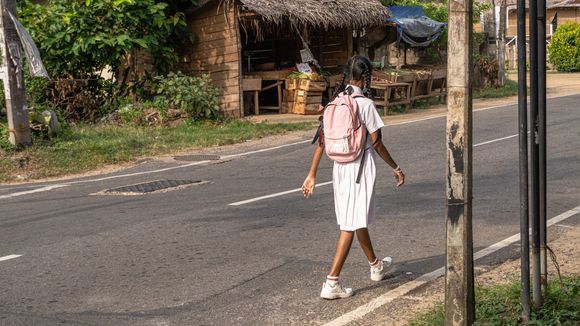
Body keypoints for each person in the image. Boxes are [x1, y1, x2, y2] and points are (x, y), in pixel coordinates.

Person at [301, 55, 405, 300]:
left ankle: (375, 266)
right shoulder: (365, 104)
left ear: (346, 75)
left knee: (356, 218)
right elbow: (377, 144)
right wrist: (396, 167)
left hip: (339, 168)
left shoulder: (334, 102)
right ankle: (331, 282)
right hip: (360, 168)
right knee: (349, 224)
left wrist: (312, 174)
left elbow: (322, 141)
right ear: (365, 77)